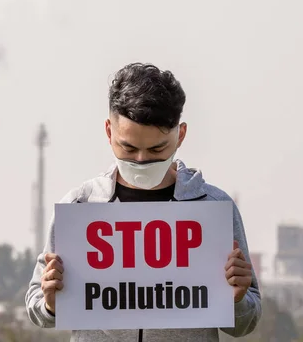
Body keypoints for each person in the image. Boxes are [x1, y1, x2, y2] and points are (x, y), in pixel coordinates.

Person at [25, 63, 262, 341]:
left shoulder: (213, 207)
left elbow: (245, 323)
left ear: (180, 135)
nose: (141, 160)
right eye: (128, 147)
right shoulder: (79, 207)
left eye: (156, 148)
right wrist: (51, 303)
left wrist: (236, 300)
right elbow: (37, 306)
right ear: (109, 132)